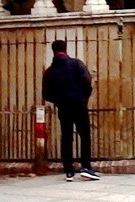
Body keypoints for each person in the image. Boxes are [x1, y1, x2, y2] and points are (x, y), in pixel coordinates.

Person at [41, 39, 98, 181]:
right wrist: (83, 98)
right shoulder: (76, 64)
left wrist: (59, 101)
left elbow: (46, 94)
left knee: (66, 137)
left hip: (64, 107)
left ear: (53, 51)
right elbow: (87, 81)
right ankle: (86, 167)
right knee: (84, 135)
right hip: (79, 105)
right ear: (65, 49)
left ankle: (68, 170)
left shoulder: (49, 71)